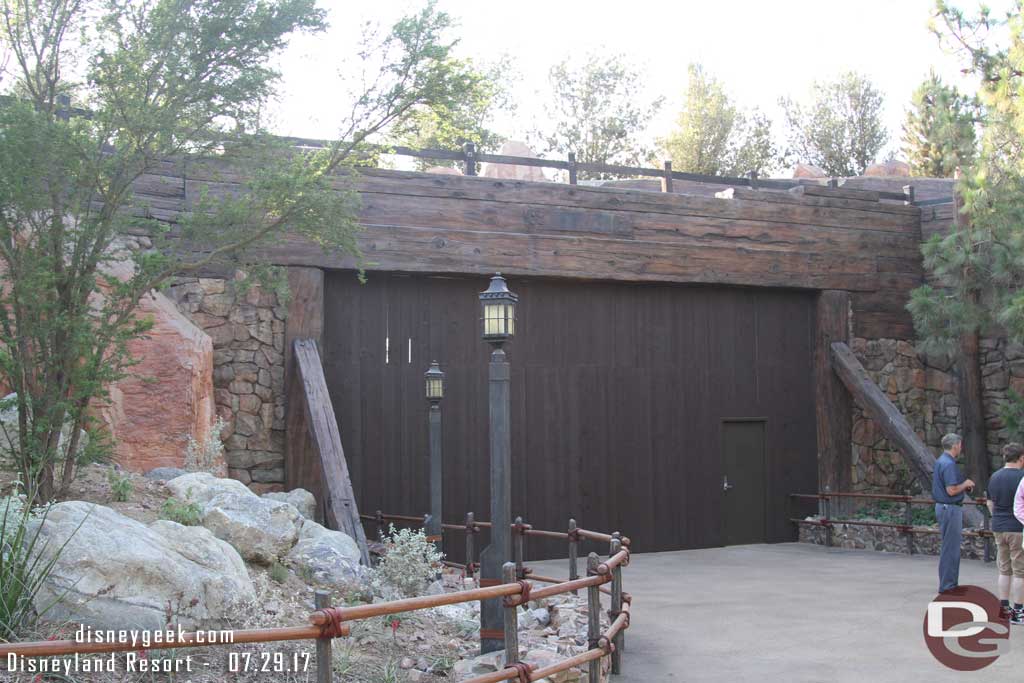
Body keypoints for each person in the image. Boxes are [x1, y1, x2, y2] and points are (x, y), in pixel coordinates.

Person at [932, 433, 975, 593]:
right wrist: (966, 484)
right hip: (949, 508)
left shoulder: (940, 461)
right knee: (951, 548)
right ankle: (948, 585)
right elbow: (951, 490)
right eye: (960, 445)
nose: (961, 448)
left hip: (943, 507)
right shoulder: (949, 464)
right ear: (956, 445)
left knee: (949, 546)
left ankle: (948, 583)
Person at [988, 443, 1024, 623]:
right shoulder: (1022, 477)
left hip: (998, 526)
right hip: (1018, 528)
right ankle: (1018, 612)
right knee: (1020, 571)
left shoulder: (995, 476)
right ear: (1021, 458)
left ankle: (1004, 610)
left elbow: (990, 503)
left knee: (1004, 569)